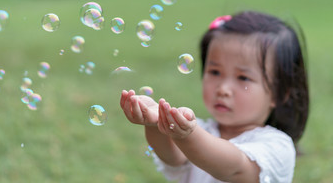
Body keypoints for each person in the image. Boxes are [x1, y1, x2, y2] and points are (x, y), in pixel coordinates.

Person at [119, 11, 309, 183]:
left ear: (279, 93)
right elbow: (173, 157)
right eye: (215, 72)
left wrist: (188, 135)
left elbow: (233, 169)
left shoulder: (276, 146)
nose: (223, 89)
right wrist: (156, 125)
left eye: (243, 77)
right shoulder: (202, 129)